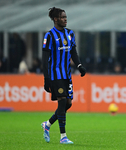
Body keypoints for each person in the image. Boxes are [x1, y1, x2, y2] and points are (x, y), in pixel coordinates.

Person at [41, 7, 86, 144]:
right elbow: (44, 59)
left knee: (68, 103)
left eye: (66, 17)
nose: (65, 19)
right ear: (55, 19)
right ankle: (63, 137)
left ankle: (47, 124)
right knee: (61, 101)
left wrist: (79, 66)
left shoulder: (70, 33)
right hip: (55, 75)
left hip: (67, 75)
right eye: (62, 17)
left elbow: (73, 52)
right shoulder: (49, 36)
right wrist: (46, 78)